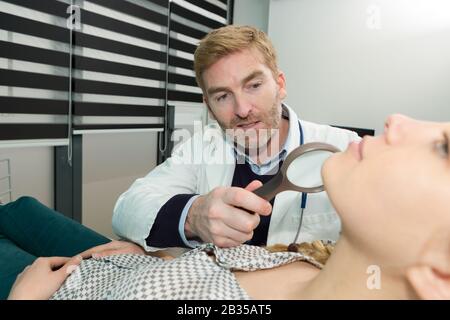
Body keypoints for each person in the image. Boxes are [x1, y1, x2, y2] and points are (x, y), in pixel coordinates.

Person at [3, 114, 450, 299]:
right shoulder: (312, 263)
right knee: (19, 208)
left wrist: (23, 299)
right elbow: (131, 205)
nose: (396, 119)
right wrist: (163, 247)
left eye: (444, 149)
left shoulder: (336, 147)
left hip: (50, 291)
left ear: (439, 275)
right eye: (220, 96)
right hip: (124, 265)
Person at [112, 25, 360, 251]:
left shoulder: (343, 147)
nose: (242, 109)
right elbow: (125, 210)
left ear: (280, 84)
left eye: (253, 85)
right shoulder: (201, 147)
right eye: (222, 96)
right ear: (209, 107)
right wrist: (194, 216)